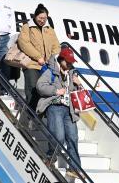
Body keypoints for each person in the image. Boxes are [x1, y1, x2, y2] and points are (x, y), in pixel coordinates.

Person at [36, 46, 82, 178]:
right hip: (55, 107)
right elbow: (40, 86)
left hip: (69, 109)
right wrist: (56, 91)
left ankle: (74, 168)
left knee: (73, 137)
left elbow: (78, 94)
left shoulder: (72, 74)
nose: (70, 64)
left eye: (71, 62)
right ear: (61, 60)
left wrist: (79, 84)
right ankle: (50, 158)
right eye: (68, 62)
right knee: (59, 136)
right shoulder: (50, 71)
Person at [17, 3, 60, 109]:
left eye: (45, 18)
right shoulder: (27, 27)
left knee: (45, 92)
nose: (42, 20)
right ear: (35, 16)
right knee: (32, 90)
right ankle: (30, 115)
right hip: (32, 64)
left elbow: (56, 46)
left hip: (46, 66)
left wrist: (51, 58)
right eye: (40, 18)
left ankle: (39, 115)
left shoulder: (49, 30)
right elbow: (24, 44)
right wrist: (38, 57)